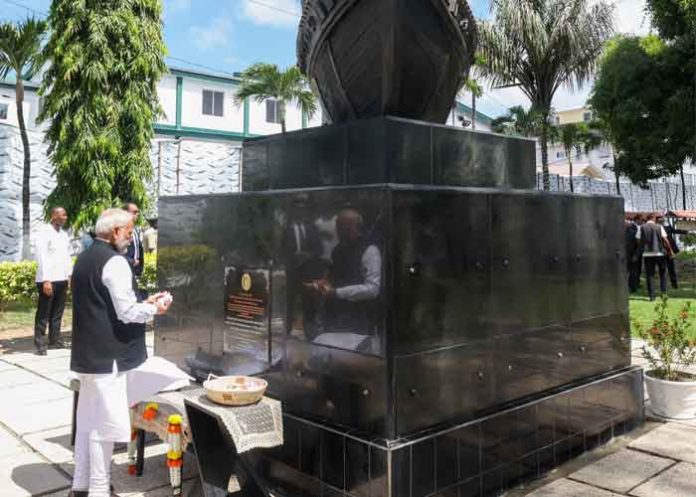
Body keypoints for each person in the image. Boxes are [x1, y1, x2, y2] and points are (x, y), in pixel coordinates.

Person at [69, 208, 187, 497]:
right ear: (116, 232)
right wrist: (155, 308)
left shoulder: (84, 259)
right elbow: (126, 312)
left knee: (87, 423)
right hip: (108, 358)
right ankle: (97, 489)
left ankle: (81, 486)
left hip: (88, 356)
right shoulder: (115, 262)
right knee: (103, 426)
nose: (132, 235)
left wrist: (144, 302)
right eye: (129, 230)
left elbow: (104, 304)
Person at [34, 206, 72, 355]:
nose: (65, 217)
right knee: (44, 313)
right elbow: (41, 256)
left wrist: (68, 276)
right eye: (63, 215)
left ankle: (55, 340)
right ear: (54, 216)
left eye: (65, 215)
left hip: (61, 279)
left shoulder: (63, 234)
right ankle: (40, 344)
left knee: (57, 313)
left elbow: (66, 256)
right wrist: (45, 280)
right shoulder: (44, 232)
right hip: (48, 280)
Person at [637, 213, 674, 301]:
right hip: (659, 253)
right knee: (662, 274)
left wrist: (644, 246)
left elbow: (638, 240)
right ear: (653, 218)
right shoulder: (659, 227)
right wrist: (670, 251)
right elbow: (665, 240)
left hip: (647, 254)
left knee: (650, 275)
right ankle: (663, 293)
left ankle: (652, 296)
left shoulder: (641, 227)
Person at [658, 215, 686, 289]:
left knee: (669, 268)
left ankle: (672, 285)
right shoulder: (659, 228)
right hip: (664, 251)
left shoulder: (666, 227)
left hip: (667, 251)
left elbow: (675, 231)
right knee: (667, 269)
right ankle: (669, 285)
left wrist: (685, 231)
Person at [122, 203, 144, 277]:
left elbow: (139, 249)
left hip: (135, 271)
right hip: (124, 271)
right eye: (134, 212)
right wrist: (131, 262)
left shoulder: (135, 229)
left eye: (137, 212)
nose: (137, 214)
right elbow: (116, 252)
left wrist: (140, 268)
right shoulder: (120, 230)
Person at [624, 216, 641, 293]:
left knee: (633, 272)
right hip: (623, 256)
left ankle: (633, 287)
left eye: (627, 221)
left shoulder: (634, 232)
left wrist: (636, 255)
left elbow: (639, 245)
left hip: (632, 255)